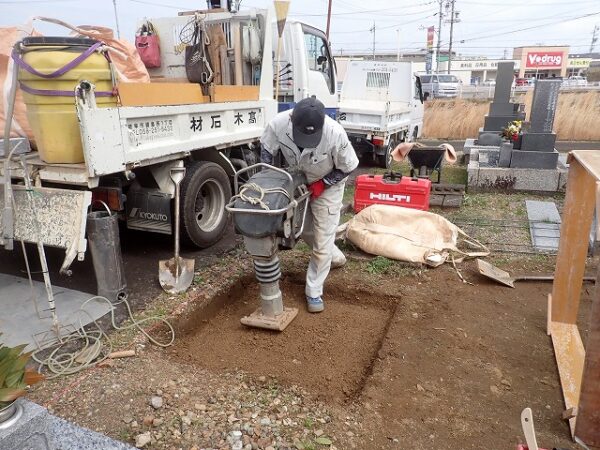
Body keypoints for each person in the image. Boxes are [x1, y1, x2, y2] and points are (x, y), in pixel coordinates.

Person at [260, 96, 359, 313]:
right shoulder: (278, 124)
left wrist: (322, 185)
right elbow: (267, 152)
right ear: (292, 120)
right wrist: (268, 180)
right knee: (302, 228)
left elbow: (348, 166)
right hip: (297, 180)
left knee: (323, 235)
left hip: (328, 185)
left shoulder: (335, 134)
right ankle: (331, 254)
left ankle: (314, 290)